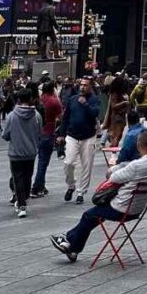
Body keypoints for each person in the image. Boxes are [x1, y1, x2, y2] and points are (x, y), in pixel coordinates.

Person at [50, 130, 147, 261]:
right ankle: (70, 245)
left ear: (138, 145)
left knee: (88, 215)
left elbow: (114, 178)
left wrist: (114, 168)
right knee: (95, 215)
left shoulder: (137, 165)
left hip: (122, 208)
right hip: (138, 208)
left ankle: (70, 243)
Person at [58, 77, 101, 205]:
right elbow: (65, 118)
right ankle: (71, 185)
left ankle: (81, 192)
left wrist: (85, 104)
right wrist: (61, 134)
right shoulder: (72, 100)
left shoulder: (94, 100)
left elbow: (95, 114)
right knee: (69, 163)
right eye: (81, 85)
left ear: (90, 87)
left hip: (88, 136)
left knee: (86, 165)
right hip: (72, 135)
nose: (82, 87)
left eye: (85, 85)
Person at [3, 89, 41, 218]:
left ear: (18, 100)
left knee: (17, 177)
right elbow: (39, 132)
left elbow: (5, 135)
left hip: (15, 152)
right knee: (27, 176)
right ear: (31, 99)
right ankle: (23, 197)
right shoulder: (36, 115)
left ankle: (21, 204)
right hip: (31, 152)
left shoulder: (12, 116)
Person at [31, 81, 62, 198]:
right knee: (43, 162)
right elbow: (61, 117)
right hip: (48, 132)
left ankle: (41, 185)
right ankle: (37, 187)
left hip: (36, 133)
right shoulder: (54, 102)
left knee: (37, 161)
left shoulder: (39, 100)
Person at [104, 76, 130, 147]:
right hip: (117, 117)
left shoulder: (119, 93)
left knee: (118, 136)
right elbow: (113, 106)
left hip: (120, 117)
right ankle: (113, 152)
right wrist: (124, 103)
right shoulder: (115, 93)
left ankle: (113, 149)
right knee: (116, 136)